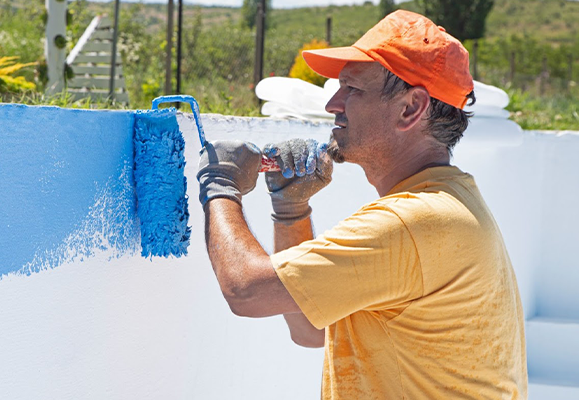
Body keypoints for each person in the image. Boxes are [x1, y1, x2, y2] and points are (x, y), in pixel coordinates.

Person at [196, 10, 527, 399]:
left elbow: (245, 291)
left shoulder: (412, 222)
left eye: (352, 89)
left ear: (410, 108)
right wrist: (291, 211)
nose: (333, 103)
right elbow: (310, 328)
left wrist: (220, 184)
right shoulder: (450, 202)